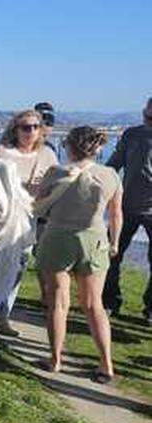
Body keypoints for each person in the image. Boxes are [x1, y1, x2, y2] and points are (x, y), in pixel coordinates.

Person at [34, 126, 121, 382]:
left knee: (58, 303)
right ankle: (106, 365)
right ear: (97, 149)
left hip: (58, 238)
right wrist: (114, 242)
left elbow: (38, 206)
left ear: (70, 147)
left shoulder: (55, 172)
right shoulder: (110, 175)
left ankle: (55, 359)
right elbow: (116, 214)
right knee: (94, 306)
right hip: (93, 239)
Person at [0, 110, 56, 336]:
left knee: (18, 267)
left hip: (30, 217)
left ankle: (1, 315)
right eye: (25, 127)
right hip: (4, 220)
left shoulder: (47, 154)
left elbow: (55, 183)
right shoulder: (2, 153)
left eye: (35, 126)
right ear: (15, 130)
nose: (31, 131)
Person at [103, 98, 152, 321]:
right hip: (126, 207)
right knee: (111, 254)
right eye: (147, 115)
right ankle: (109, 301)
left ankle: (150, 308)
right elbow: (113, 164)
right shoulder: (131, 135)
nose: (148, 119)